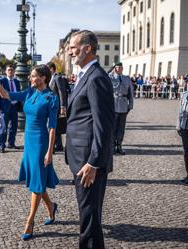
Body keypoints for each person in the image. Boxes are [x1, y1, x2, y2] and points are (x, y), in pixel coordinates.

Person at [0, 62, 60, 241]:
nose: (30, 78)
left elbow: (52, 128)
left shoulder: (51, 98)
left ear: (43, 78)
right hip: (28, 142)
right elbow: (5, 94)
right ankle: (51, 206)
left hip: (41, 143)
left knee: (36, 182)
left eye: (34, 76)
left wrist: (50, 152)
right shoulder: (29, 92)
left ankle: (30, 221)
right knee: (37, 179)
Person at [66, 30, 114, 249]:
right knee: (88, 216)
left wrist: (94, 163)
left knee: (89, 218)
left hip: (89, 162)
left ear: (87, 48)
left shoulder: (96, 77)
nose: (69, 52)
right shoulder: (85, 74)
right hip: (81, 158)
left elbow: (104, 126)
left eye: (72, 47)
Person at [108, 62, 134, 155]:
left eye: (120, 67)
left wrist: (130, 105)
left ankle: (119, 145)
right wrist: (111, 69)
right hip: (113, 106)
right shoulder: (110, 78)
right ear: (114, 68)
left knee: (121, 127)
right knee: (113, 127)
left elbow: (131, 93)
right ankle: (112, 146)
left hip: (123, 106)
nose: (118, 69)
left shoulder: (126, 79)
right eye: (117, 67)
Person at [0, 64, 21, 153]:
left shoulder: (17, 82)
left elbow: (19, 93)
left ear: (14, 72)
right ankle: (1, 145)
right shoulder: (2, 81)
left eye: (12, 70)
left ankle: (11, 143)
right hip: (5, 107)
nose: (10, 71)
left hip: (14, 107)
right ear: (6, 72)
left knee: (14, 126)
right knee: (4, 127)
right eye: (9, 70)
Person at [47, 62, 68, 152]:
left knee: (52, 125)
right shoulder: (50, 78)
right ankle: (58, 144)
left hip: (56, 106)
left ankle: (53, 146)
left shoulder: (57, 78)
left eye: (47, 69)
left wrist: (63, 106)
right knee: (56, 125)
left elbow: (61, 92)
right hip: (51, 105)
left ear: (52, 69)